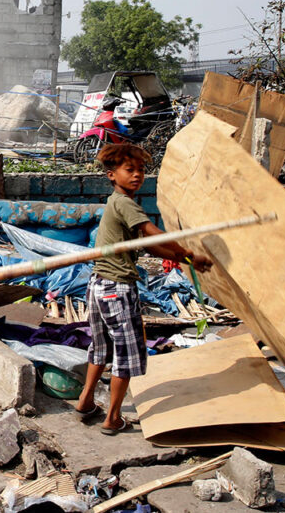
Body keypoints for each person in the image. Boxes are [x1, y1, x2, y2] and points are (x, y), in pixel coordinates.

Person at [74, 144, 212, 435]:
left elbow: (148, 245)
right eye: (130, 170)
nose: (137, 176)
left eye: (141, 171)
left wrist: (185, 258)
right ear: (112, 175)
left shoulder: (119, 204)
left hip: (98, 285)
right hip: (116, 288)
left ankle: (85, 401)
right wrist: (186, 248)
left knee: (101, 348)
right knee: (125, 354)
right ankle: (112, 419)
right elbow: (152, 232)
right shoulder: (125, 203)